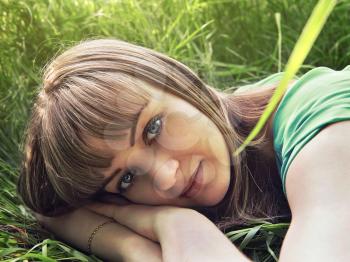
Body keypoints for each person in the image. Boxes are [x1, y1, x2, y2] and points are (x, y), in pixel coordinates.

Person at [17, 38, 350, 261]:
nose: (166, 178)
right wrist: (150, 238)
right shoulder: (223, 130)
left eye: (153, 128)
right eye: (128, 178)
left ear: (181, 82)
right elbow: (50, 209)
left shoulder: (318, 118)